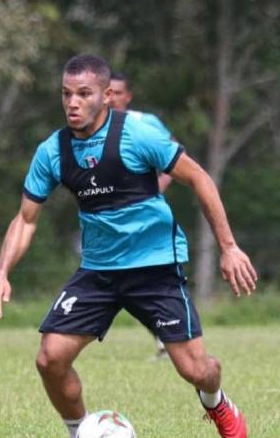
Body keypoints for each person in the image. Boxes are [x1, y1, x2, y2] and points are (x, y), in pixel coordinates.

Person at [0, 54, 257, 438]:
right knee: (50, 359)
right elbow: (26, 219)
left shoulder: (139, 135)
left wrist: (229, 247)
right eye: (66, 94)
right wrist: (0, 272)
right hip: (99, 270)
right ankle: (81, 432)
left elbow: (199, 179)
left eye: (83, 94)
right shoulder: (52, 151)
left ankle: (218, 404)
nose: (72, 103)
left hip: (155, 266)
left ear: (108, 95)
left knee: (196, 370)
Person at [108, 70, 175, 360]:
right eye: (107, 92)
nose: (112, 98)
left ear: (128, 96)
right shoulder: (90, 129)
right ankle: (165, 337)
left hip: (145, 220)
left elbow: (175, 157)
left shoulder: (143, 123)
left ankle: (171, 336)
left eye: (117, 93)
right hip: (111, 223)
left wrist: (157, 187)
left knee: (148, 277)